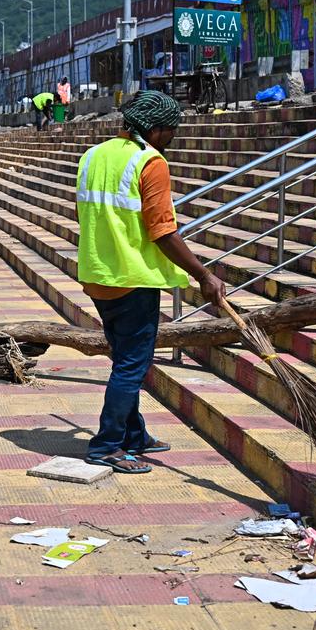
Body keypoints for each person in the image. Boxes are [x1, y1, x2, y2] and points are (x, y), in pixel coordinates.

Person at [78, 91, 227, 474]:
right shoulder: (150, 161)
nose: (173, 137)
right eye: (171, 129)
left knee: (126, 358)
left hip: (98, 274)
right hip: (132, 279)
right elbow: (163, 231)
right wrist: (204, 275)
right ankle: (106, 445)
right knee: (131, 364)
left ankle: (134, 434)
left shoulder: (93, 156)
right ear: (154, 129)